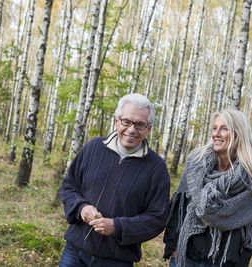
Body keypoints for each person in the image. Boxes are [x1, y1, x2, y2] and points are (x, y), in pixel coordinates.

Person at [59, 93, 170, 267]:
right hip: (74, 252)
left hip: (118, 260)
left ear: (148, 129)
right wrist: (81, 208)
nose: (131, 130)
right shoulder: (93, 148)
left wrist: (117, 227)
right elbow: (69, 187)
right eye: (126, 121)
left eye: (140, 124)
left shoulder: (156, 168)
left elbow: (157, 218)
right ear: (117, 121)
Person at [163, 109, 252, 267]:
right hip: (187, 255)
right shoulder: (196, 164)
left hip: (226, 260)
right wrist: (173, 250)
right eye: (214, 128)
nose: (216, 134)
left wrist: (241, 261)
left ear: (239, 134)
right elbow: (180, 207)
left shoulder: (251, 175)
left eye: (224, 129)